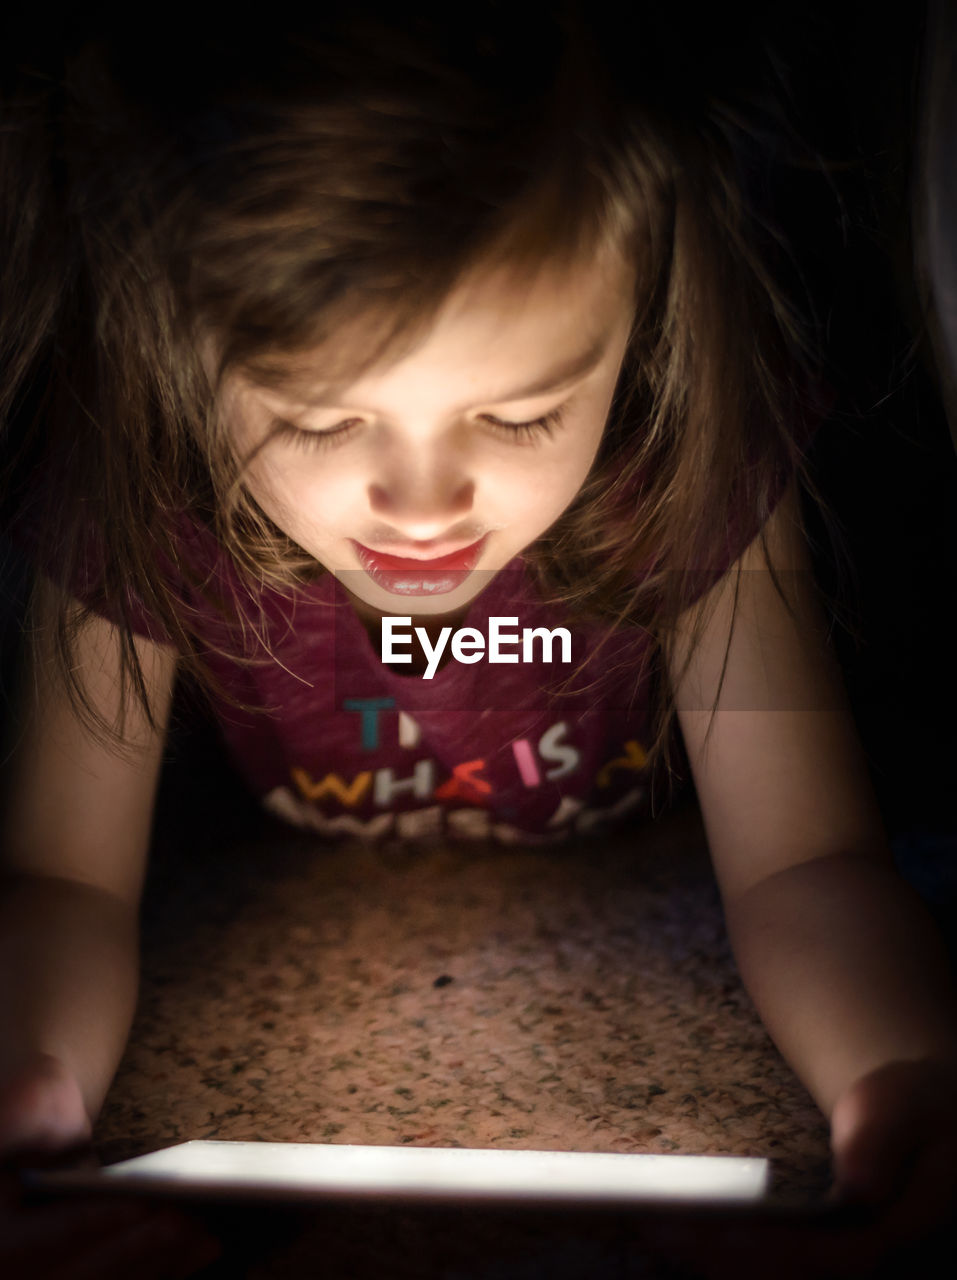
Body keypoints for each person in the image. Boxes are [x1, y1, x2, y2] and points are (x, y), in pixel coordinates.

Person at [0, 4, 955, 1275]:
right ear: (170, 348)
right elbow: (65, 881)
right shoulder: (139, 479)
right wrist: (20, 1104)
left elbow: (806, 861)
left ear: (642, 322)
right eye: (324, 421)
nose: (424, 507)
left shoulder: (692, 454)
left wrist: (908, 1081)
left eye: (518, 416)